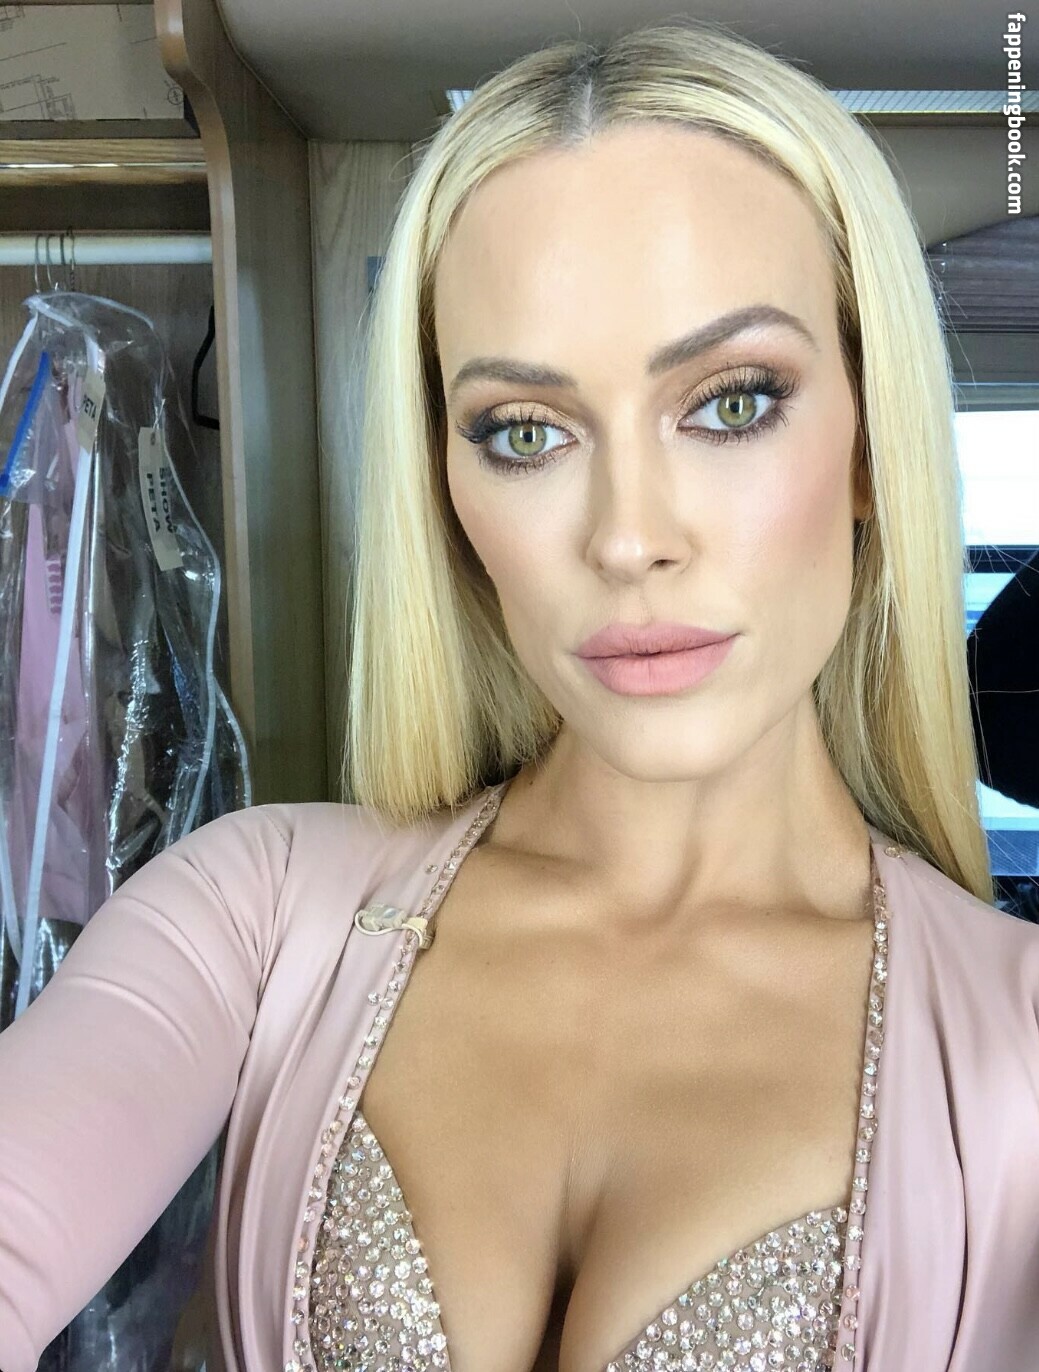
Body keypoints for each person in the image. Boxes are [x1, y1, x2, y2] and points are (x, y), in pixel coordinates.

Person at [3, 18, 1039, 1372]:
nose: (628, 538)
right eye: (526, 432)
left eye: (732, 403)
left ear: (867, 444)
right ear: (446, 484)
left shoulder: (1017, 1051)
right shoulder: (256, 915)